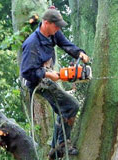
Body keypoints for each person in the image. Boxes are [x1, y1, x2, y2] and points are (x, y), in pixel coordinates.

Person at [20, 8, 89, 160]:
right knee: (71, 106)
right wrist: (47, 74)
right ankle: (62, 143)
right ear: (46, 23)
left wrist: (79, 53)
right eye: (56, 25)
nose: (58, 29)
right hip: (36, 81)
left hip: (47, 75)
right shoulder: (32, 44)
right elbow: (26, 72)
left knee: (63, 108)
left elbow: (66, 44)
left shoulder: (53, 33)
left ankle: (54, 149)